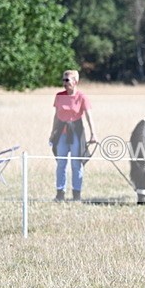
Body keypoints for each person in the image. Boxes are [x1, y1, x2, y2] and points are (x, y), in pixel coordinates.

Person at [49, 70, 97, 201]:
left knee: (76, 164)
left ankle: (76, 195)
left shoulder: (82, 97)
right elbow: (56, 116)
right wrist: (52, 133)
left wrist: (93, 134)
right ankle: (60, 194)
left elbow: (89, 116)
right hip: (61, 133)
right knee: (61, 163)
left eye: (67, 80)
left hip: (76, 133)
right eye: (63, 80)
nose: (64, 83)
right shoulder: (59, 96)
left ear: (75, 82)